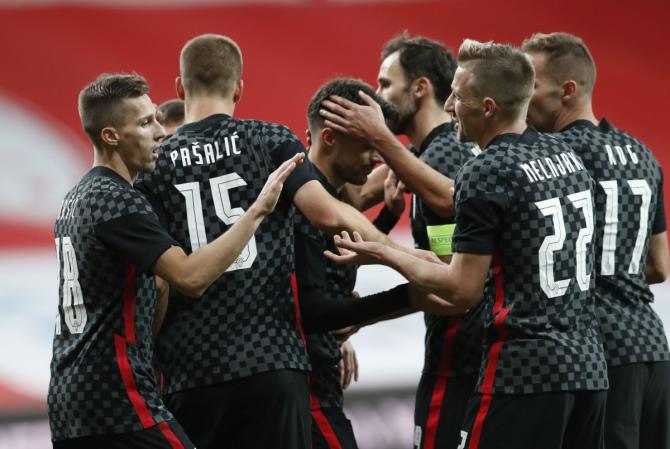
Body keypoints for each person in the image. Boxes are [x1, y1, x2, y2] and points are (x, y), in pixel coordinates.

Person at [324, 40, 609, 449]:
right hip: (588, 367)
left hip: (520, 369)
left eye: (459, 96)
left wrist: (382, 252)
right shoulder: (565, 153)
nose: (451, 105)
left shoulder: (484, 169)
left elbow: (460, 288)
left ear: (488, 107)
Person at [135, 34, 408, 449]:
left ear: (179, 88)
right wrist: (410, 259)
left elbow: (155, 282)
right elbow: (328, 214)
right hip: (272, 361)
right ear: (240, 87)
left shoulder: (154, 167)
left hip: (190, 371)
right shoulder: (267, 140)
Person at [49, 73, 301, 448]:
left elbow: (154, 289)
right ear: (110, 136)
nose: (160, 132)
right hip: (117, 399)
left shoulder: (77, 197)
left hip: (69, 400)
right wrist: (257, 211)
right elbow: (190, 277)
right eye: (145, 122)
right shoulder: (118, 200)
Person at [522, 32, 670, 449]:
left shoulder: (551, 158)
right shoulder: (642, 153)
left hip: (597, 352)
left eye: (531, 84)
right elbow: (659, 266)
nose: (521, 95)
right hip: (652, 346)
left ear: (567, 90)